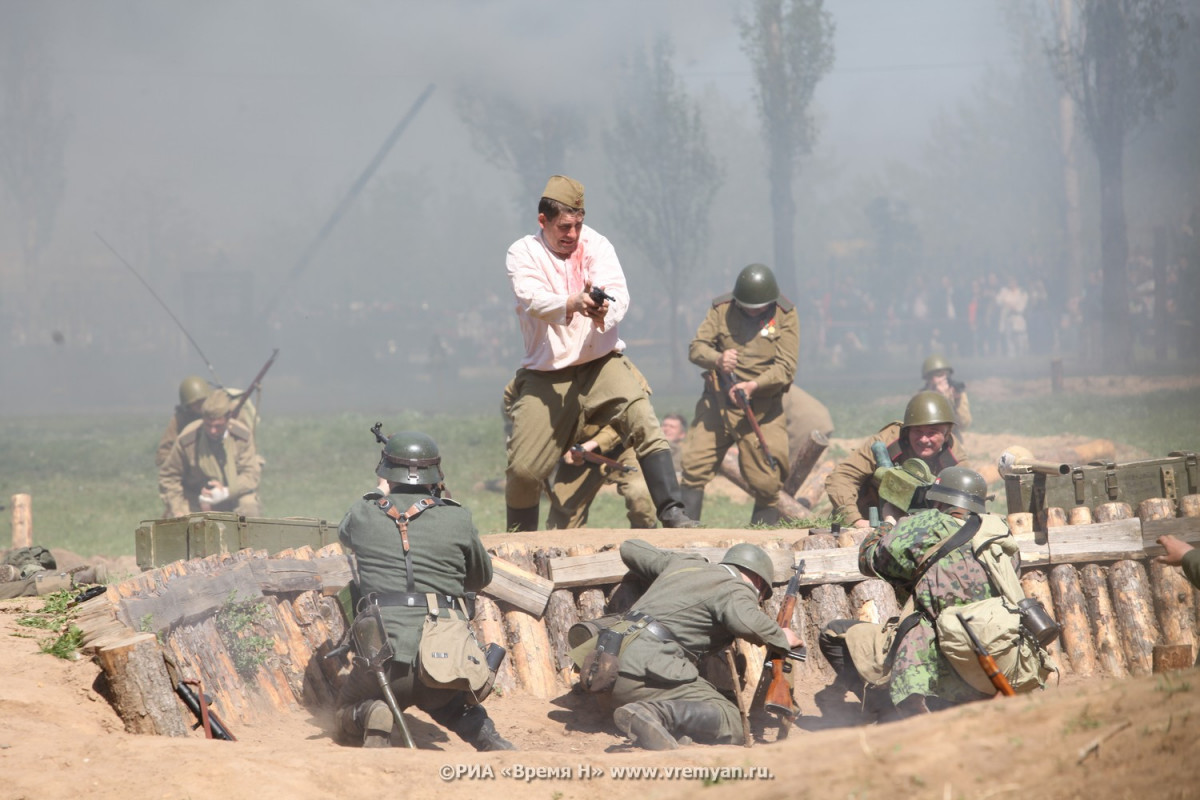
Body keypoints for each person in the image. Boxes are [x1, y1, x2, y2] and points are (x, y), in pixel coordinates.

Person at [504, 174, 695, 531]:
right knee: (524, 470)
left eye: (577, 224)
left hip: (602, 362)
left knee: (642, 415)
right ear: (542, 221)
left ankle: (672, 511)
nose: (572, 235)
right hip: (548, 374)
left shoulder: (597, 245)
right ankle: (520, 542)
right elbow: (532, 299)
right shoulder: (522, 253)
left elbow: (619, 294)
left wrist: (604, 310)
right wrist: (573, 302)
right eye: (563, 226)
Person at [333, 431, 514, 751]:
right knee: (453, 705)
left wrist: (379, 492)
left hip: (382, 661)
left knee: (345, 709)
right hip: (443, 660)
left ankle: (373, 713)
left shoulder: (363, 512)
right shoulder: (458, 517)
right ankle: (489, 739)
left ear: (386, 471)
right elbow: (480, 578)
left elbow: (345, 533)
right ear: (435, 474)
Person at [818, 467, 1015, 717]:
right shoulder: (999, 531)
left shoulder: (926, 525)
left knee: (834, 632)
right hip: (995, 652)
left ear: (938, 500)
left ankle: (884, 709)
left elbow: (869, 560)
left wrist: (889, 522)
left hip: (936, 655)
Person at [606, 539, 802, 749]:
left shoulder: (683, 563)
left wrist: (691, 562)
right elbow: (746, 621)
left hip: (605, 668)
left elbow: (630, 547)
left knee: (716, 696)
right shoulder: (734, 587)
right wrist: (781, 636)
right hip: (644, 671)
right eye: (761, 595)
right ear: (758, 581)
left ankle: (659, 721)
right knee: (734, 721)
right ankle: (654, 714)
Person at [678, 263, 799, 525]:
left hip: (762, 407)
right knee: (693, 468)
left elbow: (786, 368)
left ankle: (760, 547)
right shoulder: (721, 309)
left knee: (767, 481)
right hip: (717, 403)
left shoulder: (785, 314)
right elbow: (696, 348)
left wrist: (753, 385)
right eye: (745, 306)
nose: (750, 312)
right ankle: (682, 539)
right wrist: (718, 358)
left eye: (757, 308)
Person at [825, 390, 969, 528]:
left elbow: (966, 500)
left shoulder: (955, 458)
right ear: (908, 431)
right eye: (917, 431)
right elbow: (841, 478)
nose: (924, 439)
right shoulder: (886, 442)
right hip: (870, 522)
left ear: (947, 434)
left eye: (932, 433)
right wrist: (856, 521)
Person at [158, 390, 261, 517]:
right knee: (181, 520)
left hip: (232, 495)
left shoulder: (241, 437)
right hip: (195, 498)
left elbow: (250, 474)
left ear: (228, 418)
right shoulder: (188, 439)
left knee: (248, 506)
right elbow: (169, 476)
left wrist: (225, 492)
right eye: (208, 425)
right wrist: (177, 508)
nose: (212, 430)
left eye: (218, 426)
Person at [155, 376, 257, 469]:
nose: (201, 406)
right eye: (195, 404)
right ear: (187, 406)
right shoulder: (180, 419)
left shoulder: (230, 410)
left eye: (203, 401)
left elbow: (246, 445)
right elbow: (163, 455)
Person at [920, 354, 971, 430]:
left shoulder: (956, 393)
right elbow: (923, 423)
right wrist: (940, 399)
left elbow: (964, 424)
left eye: (947, 375)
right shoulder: (920, 397)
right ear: (929, 379)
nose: (944, 379)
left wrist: (955, 401)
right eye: (939, 375)